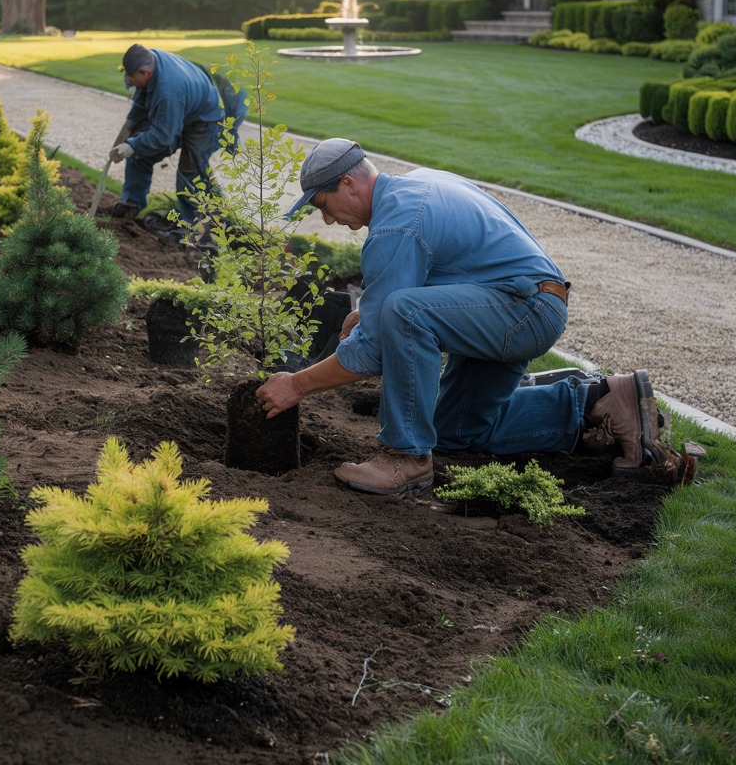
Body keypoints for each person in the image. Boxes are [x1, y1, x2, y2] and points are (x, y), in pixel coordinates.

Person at [255, 138, 694, 495]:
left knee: (403, 315)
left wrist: (296, 384)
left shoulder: (395, 225)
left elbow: (377, 351)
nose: (327, 220)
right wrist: (367, 316)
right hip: (519, 304)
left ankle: (405, 457)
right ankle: (600, 401)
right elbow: (446, 264)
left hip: (522, 310)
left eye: (324, 205)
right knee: (455, 430)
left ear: (349, 183)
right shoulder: (417, 187)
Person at [105, 45, 247, 238]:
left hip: (205, 120)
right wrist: (126, 133)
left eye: (134, 81)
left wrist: (131, 145)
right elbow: (141, 99)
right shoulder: (150, 59)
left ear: (146, 72)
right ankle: (132, 204)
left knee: (190, 174)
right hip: (185, 109)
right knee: (140, 155)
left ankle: (191, 228)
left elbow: (164, 136)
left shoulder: (168, 93)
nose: (133, 86)